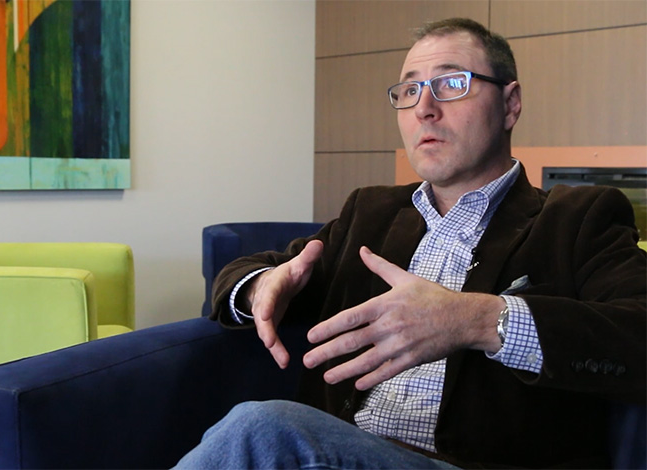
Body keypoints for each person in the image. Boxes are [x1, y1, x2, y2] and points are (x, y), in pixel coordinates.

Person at [176, 17, 646, 469]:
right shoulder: (371, 212)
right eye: (410, 90)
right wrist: (261, 287)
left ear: (510, 104)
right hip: (339, 453)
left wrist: (479, 319)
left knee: (263, 427)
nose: (425, 107)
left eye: (450, 84)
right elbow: (252, 271)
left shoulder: (578, 219)